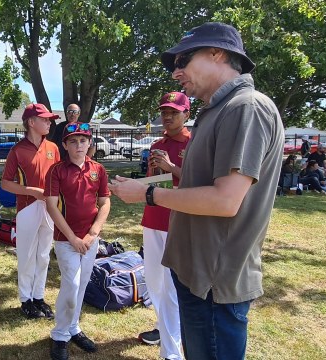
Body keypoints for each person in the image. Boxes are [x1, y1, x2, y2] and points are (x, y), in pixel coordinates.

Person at [108, 22, 284, 360]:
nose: (176, 73)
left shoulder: (246, 107)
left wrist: (147, 194)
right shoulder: (216, 111)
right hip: (196, 273)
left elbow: (225, 200)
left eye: (183, 61)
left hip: (214, 282)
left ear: (217, 54)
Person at [45, 122, 111, 360]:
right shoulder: (56, 171)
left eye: (83, 140)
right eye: (73, 141)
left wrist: (92, 234)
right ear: (65, 145)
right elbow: (52, 206)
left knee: (82, 284)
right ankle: (60, 334)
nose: (79, 145)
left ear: (90, 143)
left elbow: (105, 202)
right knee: (71, 285)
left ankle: (73, 327)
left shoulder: (98, 169)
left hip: (89, 240)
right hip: (66, 239)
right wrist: (73, 238)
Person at [136, 91, 191, 359]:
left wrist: (172, 167)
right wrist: (134, 185)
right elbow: (154, 185)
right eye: (164, 112)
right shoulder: (156, 144)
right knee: (155, 281)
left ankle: (171, 352)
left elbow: (200, 183)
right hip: (153, 219)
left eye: (173, 112)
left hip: (178, 223)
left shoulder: (195, 144)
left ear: (186, 115)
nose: (167, 117)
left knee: (170, 286)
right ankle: (164, 326)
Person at [1, 103, 61, 320]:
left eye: (49, 119)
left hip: (50, 207)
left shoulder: (53, 148)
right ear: (31, 123)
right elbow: (6, 183)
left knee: (44, 255)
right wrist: (32, 191)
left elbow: (59, 178)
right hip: (27, 207)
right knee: (26, 255)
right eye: (45, 119)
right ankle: (25, 299)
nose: (49, 122)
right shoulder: (17, 150)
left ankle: (38, 296)